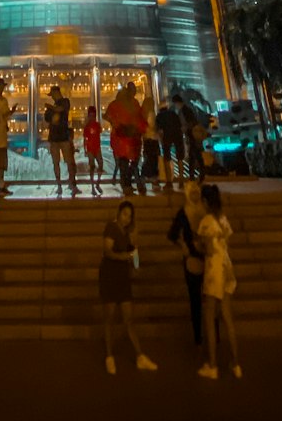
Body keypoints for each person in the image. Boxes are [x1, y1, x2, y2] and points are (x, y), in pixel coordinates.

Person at [99, 200, 157, 376]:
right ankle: (109, 356)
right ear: (118, 213)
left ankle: (140, 356)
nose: (126, 218)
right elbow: (107, 251)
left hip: (123, 277)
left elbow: (135, 255)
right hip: (109, 276)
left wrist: (136, 262)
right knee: (109, 317)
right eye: (124, 214)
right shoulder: (111, 227)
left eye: (129, 216)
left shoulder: (129, 232)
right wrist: (124, 256)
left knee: (129, 318)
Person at [196, 184, 241, 380]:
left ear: (205, 202)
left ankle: (212, 365)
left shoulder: (206, 222)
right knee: (227, 317)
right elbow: (226, 243)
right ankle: (235, 363)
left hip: (214, 271)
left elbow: (205, 248)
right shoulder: (223, 219)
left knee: (209, 318)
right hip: (227, 267)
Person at [167, 179, 207, 347]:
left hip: (207, 257)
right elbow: (172, 234)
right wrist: (183, 245)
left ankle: (213, 333)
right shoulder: (183, 213)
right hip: (191, 257)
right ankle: (198, 335)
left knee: (210, 297)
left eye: (197, 192)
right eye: (192, 192)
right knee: (195, 298)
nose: (194, 195)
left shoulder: (206, 211)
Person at [105, 85, 146, 195]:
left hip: (125, 138)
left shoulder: (127, 104)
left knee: (126, 162)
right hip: (128, 137)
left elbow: (107, 116)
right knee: (129, 162)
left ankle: (127, 184)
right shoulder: (131, 104)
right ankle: (129, 183)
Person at [44, 85, 78, 196]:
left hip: (62, 137)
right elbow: (48, 118)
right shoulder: (54, 106)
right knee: (57, 162)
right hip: (55, 138)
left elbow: (61, 109)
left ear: (56, 93)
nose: (52, 97)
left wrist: (51, 109)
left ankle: (71, 183)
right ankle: (60, 184)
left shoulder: (64, 102)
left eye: (52, 95)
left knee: (69, 161)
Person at [156, 97, 185, 189]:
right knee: (179, 158)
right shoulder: (173, 114)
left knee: (167, 158)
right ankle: (181, 180)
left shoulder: (159, 116)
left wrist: (161, 140)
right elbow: (180, 126)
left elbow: (160, 131)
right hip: (178, 136)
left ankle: (169, 181)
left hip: (167, 137)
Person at [177, 95, 207, 180]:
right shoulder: (188, 109)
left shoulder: (183, 111)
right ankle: (197, 174)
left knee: (194, 155)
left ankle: (194, 174)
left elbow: (188, 123)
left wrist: (184, 129)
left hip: (191, 135)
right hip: (193, 135)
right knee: (195, 154)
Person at [82, 106, 104, 195]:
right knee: (92, 166)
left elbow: (98, 135)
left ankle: (97, 183)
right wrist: (85, 150)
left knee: (100, 164)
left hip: (97, 148)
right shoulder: (87, 126)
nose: (92, 117)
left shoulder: (97, 125)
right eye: (90, 115)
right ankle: (92, 186)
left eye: (93, 116)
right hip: (91, 148)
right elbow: (85, 139)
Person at [140, 95, 160, 182]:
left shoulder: (143, 115)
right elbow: (151, 126)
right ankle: (153, 178)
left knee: (148, 158)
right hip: (152, 138)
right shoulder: (151, 114)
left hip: (146, 138)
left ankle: (145, 176)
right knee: (153, 159)